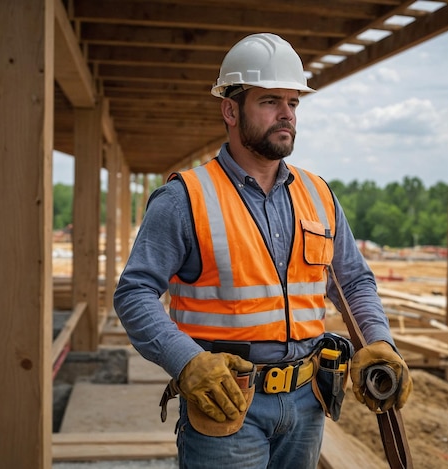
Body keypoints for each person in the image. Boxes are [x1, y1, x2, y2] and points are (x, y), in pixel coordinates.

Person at [113, 32, 412, 469]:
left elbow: (353, 281)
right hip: (227, 404)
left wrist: (379, 341)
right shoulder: (185, 197)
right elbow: (134, 292)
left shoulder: (319, 194)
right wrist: (187, 362)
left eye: (293, 103)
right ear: (230, 110)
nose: (286, 114)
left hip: (308, 404)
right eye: (270, 101)